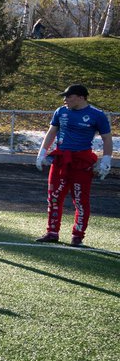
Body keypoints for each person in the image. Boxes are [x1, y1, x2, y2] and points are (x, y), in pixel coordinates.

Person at [34, 84, 112, 247]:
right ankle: (52, 232)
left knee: (80, 200)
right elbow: (51, 132)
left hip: (81, 162)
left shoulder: (97, 115)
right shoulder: (60, 112)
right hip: (61, 160)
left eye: (68, 96)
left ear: (81, 97)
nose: (65, 100)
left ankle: (77, 236)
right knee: (54, 197)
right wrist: (42, 153)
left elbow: (106, 138)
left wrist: (106, 160)